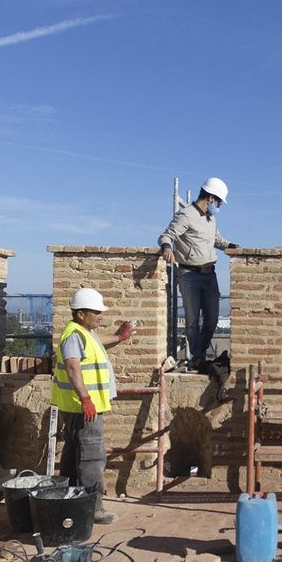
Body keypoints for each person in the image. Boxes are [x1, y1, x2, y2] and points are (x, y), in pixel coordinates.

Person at [51, 287, 136, 525]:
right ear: (80, 314)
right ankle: (93, 507)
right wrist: (86, 399)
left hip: (80, 405)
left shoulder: (83, 333)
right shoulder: (74, 335)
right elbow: (72, 366)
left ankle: (68, 500)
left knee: (73, 452)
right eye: (96, 312)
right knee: (91, 455)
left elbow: (98, 342)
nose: (100, 315)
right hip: (84, 406)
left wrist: (120, 337)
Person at [156, 177, 237, 370]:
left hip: (209, 274)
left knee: (212, 318)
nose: (219, 207)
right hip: (189, 275)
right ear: (210, 198)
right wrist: (167, 247)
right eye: (218, 202)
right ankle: (198, 358)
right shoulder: (186, 215)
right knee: (192, 320)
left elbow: (217, 240)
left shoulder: (211, 219)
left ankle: (199, 354)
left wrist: (231, 246)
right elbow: (166, 235)